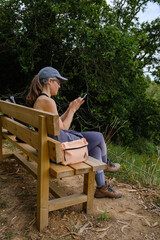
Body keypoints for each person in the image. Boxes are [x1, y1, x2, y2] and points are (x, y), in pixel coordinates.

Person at [26, 66, 122, 198]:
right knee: (99, 137)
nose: (59, 87)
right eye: (58, 83)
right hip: (59, 148)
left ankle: (101, 186)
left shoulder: (41, 100)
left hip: (52, 143)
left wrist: (70, 108)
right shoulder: (48, 101)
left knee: (96, 148)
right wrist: (72, 111)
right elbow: (63, 127)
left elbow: (57, 122)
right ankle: (105, 166)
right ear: (49, 81)